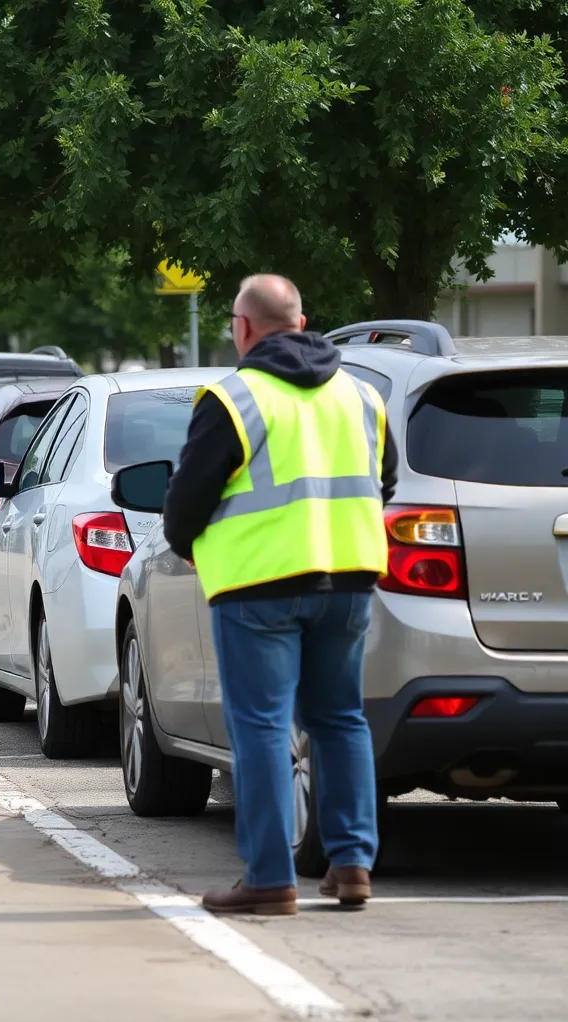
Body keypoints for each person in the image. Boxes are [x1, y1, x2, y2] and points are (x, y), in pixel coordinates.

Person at [163, 275, 397, 916]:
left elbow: (189, 495)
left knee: (262, 729)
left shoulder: (234, 397)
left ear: (243, 326)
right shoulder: (361, 394)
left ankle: (270, 877)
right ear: (301, 321)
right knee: (340, 719)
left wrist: (185, 540)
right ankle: (352, 865)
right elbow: (387, 479)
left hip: (257, 587)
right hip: (348, 580)